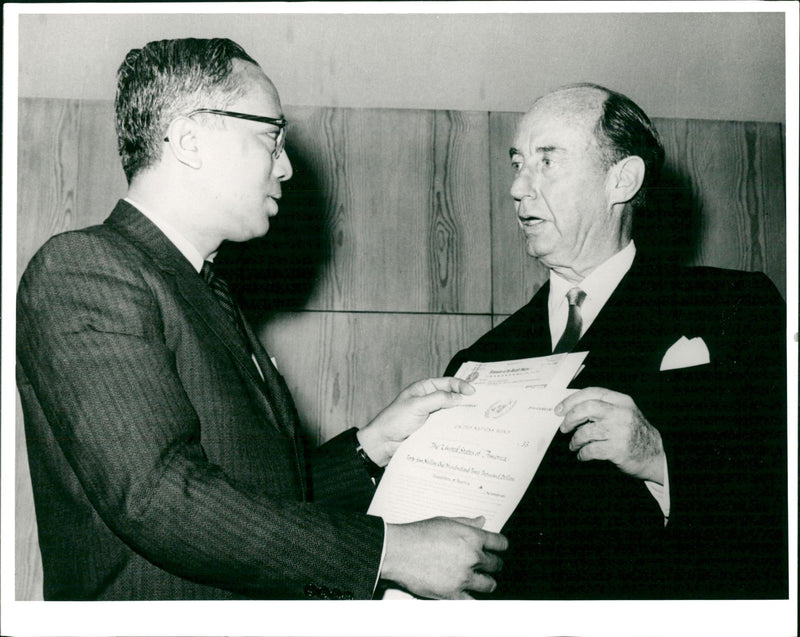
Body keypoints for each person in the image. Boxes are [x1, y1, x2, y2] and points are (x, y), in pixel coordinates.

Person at [16, 37, 508, 601]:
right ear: (190, 139)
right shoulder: (86, 269)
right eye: (271, 138)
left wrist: (371, 446)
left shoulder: (209, 293)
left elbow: (256, 503)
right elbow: (159, 497)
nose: (288, 166)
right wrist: (390, 550)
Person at [445, 83, 787, 599]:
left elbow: (780, 485)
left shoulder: (734, 307)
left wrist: (660, 458)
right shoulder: (479, 360)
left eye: (547, 161)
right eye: (517, 162)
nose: (518, 188)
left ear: (621, 179)